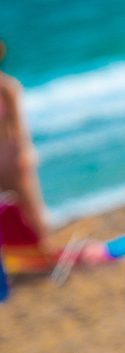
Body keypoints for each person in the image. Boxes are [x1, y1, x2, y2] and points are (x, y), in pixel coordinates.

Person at [0, 41, 48, 241]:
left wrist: (22, 151)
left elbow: (19, 125)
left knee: (29, 202)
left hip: (11, 152)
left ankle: (44, 246)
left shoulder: (7, 86)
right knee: (9, 206)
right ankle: (25, 247)